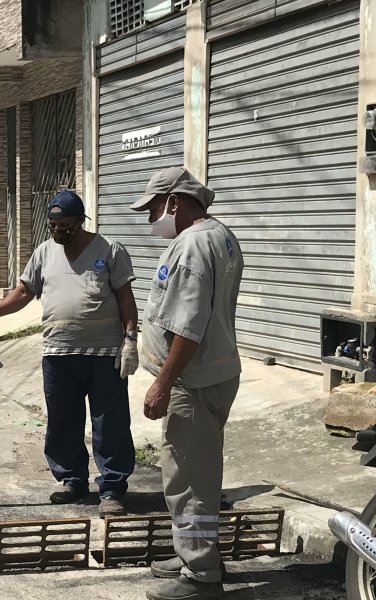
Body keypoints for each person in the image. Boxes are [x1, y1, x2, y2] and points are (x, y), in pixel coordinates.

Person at [0, 190, 139, 517]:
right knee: (62, 421)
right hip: (58, 353)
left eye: (65, 224)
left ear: (80, 222)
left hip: (104, 354)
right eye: (54, 224)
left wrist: (130, 338)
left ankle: (113, 488)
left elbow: (126, 298)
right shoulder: (45, 253)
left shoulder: (109, 250)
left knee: (111, 423)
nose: (59, 230)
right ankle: (72, 480)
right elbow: (22, 292)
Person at [130, 167, 243, 600]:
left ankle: (200, 573)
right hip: (217, 372)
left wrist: (162, 382)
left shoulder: (192, 245)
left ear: (174, 202)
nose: (151, 219)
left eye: (155, 208)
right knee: (202, 472)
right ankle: (194, 551)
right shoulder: (221, 235)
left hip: (192, 382)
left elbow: (188, 327)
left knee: (188, 479)